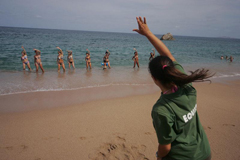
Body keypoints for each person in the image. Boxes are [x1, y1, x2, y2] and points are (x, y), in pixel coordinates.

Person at [133, 17, 212, 160]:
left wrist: (159, 156)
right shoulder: (186, 85)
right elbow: (168, 55)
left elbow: (165, 146)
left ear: (154, 79)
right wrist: (149, 33)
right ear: (172, 70)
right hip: (204, 151)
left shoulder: (161, 109)